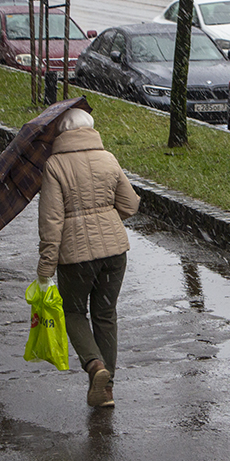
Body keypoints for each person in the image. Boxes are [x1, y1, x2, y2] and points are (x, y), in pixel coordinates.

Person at [37, 108, 140, 408]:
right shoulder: (107, 158)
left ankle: (95, 365)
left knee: (72, 312)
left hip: (75, 258)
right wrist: (106, 219)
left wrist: (45, 268)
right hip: (115, 252)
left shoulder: (54, 165)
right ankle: (106, 390)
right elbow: (130, 204)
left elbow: (52, 221)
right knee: (106, 315)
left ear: (62, 133)